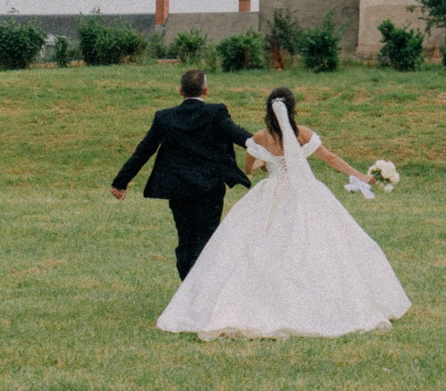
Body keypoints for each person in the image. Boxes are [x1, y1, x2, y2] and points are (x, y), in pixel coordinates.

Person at [155, 85, 411, 340]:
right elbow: (330, 158)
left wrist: (267, 162)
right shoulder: (303, 134)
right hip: (305, 193)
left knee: (255, 245)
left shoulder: (259, 138)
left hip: (271, 192)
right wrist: (360, 176)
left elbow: (250, 167)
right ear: (292, 108)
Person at [110, 68, 254, 278]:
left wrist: (121, 182)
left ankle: (187, 285)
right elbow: (241, 136)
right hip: (209, 187)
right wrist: (270, 147)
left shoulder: (165, 118)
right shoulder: (216, 113)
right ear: (205, 90)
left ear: (180, 91)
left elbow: (144, 150)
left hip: (179, 189)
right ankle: (199, 288)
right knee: (205, 237)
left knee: (185, 239)